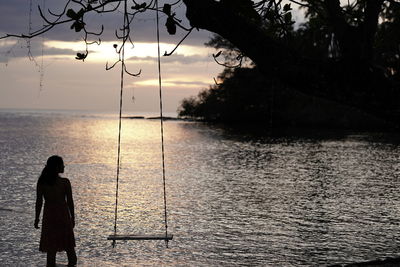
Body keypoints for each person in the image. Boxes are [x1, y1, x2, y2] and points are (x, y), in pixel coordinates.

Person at [34, 155, 77, 267]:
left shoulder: (42, 182)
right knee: (70, 252)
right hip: (63, 217)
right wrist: (73, 218)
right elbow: (70, 202)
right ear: (57, 167)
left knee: (51, 252)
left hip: (50, 217)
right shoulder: (65, 182)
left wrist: (37, 218)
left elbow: (39, 202)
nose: (64, 166)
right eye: (62, 164)